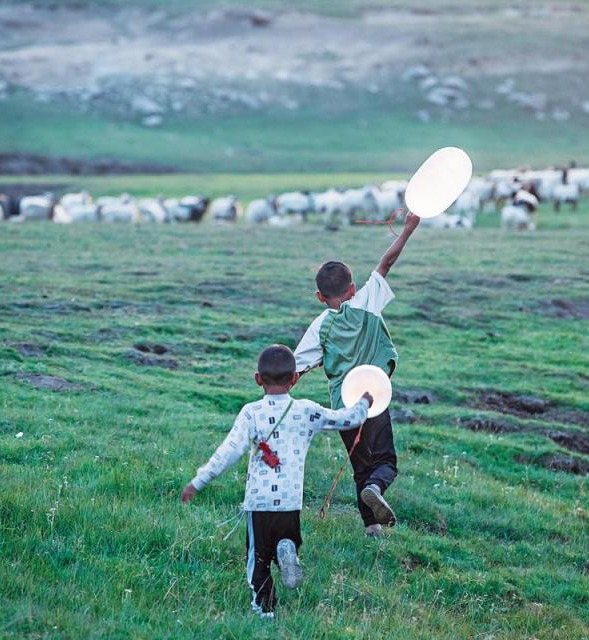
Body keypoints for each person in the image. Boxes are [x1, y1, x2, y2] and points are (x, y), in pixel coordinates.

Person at [180, 345, 371, 619]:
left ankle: (265, 613)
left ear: (258, 379)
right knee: (285, 538)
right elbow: (347, 419)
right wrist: (364, 402)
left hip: (259, 502)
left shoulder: (251, 413)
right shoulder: (306, 410)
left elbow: (228, 451)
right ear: (294, 379)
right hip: (290, 501)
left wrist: (198, 482)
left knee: (258, 561)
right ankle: (288, 548)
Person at [294, 213, 421, 537]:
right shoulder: (366, 302)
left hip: (342, 405)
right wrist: (407, 229)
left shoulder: (319, 325)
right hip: (373, 397)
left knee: (359, 465)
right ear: (352, 288)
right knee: (384, 461)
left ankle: (371, 527)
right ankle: (377, 487)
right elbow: (386, 262)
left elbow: (294, 369)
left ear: (320, 297)